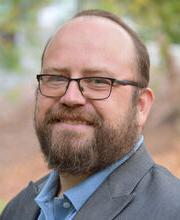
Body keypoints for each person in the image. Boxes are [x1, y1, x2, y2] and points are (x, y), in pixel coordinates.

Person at [1, 9, 180, 220]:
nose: (71, 97)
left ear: (141, 106)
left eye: (98, 81)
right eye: (56, 78)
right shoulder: (16, 211)